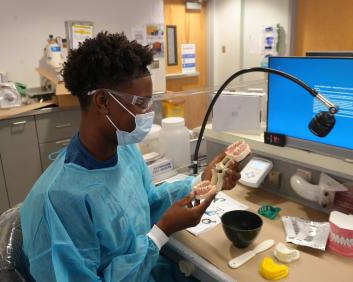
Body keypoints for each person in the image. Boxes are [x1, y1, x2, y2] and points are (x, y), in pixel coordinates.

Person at [20, 31, 240, 282]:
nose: (149, 113)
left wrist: (202, 181)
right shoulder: (59, 199)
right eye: (141, 103)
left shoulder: (123, 150)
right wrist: (162, 231)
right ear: (102, 101)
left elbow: (148, 202)